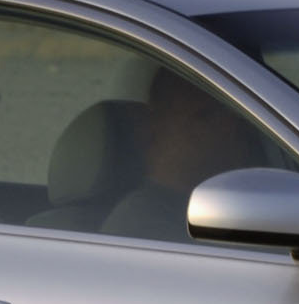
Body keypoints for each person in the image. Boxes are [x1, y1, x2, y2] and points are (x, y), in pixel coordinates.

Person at [100, 67, 272, 242]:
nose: (231, 125)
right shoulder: (137, 225)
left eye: (231, 112)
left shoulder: (240, 202)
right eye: (206, 116)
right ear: (158, 131)